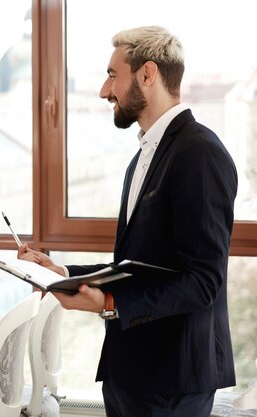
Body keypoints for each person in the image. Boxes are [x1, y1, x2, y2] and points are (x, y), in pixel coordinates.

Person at [19, 26, 237, 417]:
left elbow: (203, 280)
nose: (105, 91)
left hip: (173, 383)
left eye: (112, 75)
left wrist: (109, 302)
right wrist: (64, 271)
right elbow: (140, 265)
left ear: (147, 74)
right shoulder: (142, 158)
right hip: (130, 374)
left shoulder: (200, 154)